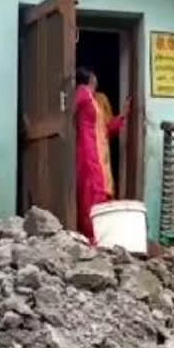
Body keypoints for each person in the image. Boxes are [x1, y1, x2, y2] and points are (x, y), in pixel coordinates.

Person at [74, 67, 129, 242]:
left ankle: (100, 234)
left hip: (99, 150)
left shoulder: (97, 99)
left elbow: (106, 128)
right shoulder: (82, 93)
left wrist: (123, 115)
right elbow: (68, 107)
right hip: (88, 148)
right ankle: (91, 234)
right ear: (90, 78)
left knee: (101, 190)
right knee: (92, 189)